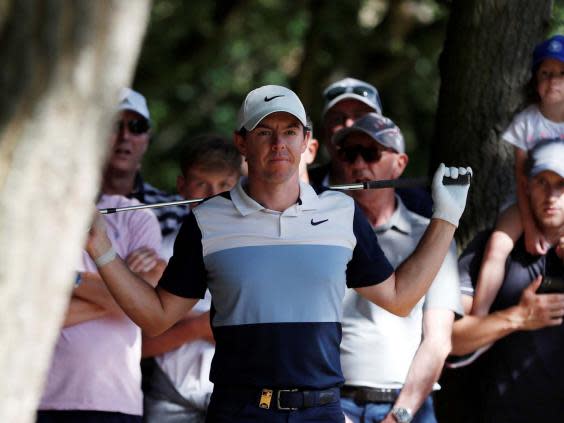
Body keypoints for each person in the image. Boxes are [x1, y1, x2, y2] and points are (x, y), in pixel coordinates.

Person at [85, 85, 471, 423]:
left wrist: (446, 217)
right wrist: (100, 248)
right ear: (242, 143)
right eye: (264, 132)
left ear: (306, 141)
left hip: (320, 411)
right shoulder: (207, 219)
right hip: (239, 410)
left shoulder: (341, 213)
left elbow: (400, 299)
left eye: (289, 132)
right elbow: (156, 317)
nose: (278, 144)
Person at [333, 113, 462, 423]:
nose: (359, 164)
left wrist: (399, 416)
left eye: (372, 153)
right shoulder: (324, 231)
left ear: (400, 164)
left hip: (409, 407)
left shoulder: (432, 236)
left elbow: (438, 340)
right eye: (350, 154)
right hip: (333, 404)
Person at [37, 118, 164, 422]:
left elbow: (144, 308)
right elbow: (32, 318)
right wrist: (121, 295)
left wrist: (68, 282)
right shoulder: (35, 217)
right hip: (41, 396)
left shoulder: (137, 218)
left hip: (116, 402)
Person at [446, 138, 564, 422]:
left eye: (561, 184)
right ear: (525, 187)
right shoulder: (491, 247)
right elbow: (452, 338)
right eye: (541, 183)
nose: (551, 196)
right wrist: (518, 317)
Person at [142, 134, 242, 423]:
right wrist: (200, 326)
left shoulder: (256, 252)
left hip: (239, 396)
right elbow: (139, 345)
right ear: (182, 186)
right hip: (169, 397)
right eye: (202, 184)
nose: (213, 196)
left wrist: (177, 324)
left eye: (224, 185)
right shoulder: (158, 253)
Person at [471, 34, 564, 317]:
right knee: (497, 246)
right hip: (527, 199)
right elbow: (522, 179)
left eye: (562, 73)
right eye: (546, 73)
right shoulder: (526, 122)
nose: (554, 80)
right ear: (535, 81)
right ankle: (479, 317)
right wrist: (529, 224)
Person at [309, 77, 433, 217]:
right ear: (324, 132)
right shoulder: (302, 188)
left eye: (361, 118)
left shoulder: (417, 203)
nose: (350, 125)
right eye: (337, 119)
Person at [102, 88, 187, 238]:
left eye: (137, 127)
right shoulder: (66, 203)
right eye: (114, 125)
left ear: (147, 139)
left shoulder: (174, 211)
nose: (125, 136)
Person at [298, 117, 319, 183]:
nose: (279, 144)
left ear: (311, 150)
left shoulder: (336, 193)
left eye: (290, 133)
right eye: (266, 133)